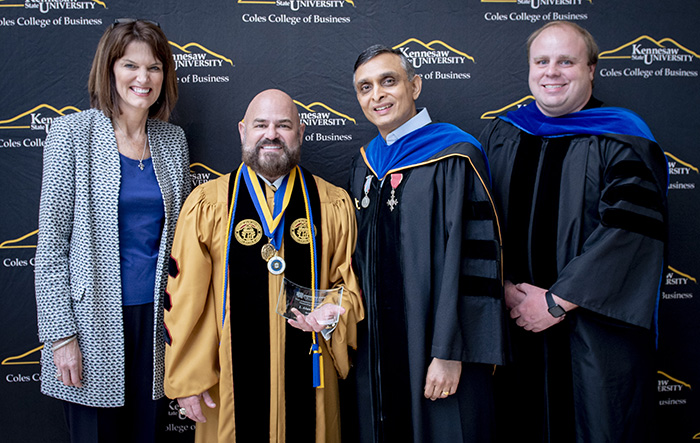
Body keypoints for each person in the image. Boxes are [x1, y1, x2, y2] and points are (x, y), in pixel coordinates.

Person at [479, 21, 668, 442]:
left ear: (591, 70)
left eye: (566, 61)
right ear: (529, 69)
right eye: (541, 61)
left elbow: (628, 232)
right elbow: (479, 221)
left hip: (593, 335)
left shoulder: (623, 139)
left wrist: (556, 302)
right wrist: (503, 285)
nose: (552, 72)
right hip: (514, 326)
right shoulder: (501, 134)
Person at [163, 89, 364, 442]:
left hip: (310, 374)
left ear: (300, 133)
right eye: (261, 125)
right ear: (243, 131)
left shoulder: (332, 204)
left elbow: (349, 286)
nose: (271, 134)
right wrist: (188, 379)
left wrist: (334, 312)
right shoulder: (209, 204)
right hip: (227, 385)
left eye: (283, 125)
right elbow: (184, 299)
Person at [34, 19, 191, 443]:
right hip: (89, 324)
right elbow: (50, 245)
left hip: (157, 324)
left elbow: (181, 239)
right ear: (109, 68)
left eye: (155, 67)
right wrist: (61, 335)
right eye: (130, 65)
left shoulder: (172, 141)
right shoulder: (72, 133)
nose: (143, 78)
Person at [347, 45, 506, 442]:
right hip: (380, 353)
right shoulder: (365, 164)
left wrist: (451, 351)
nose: (377, 95)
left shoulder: (455, 156)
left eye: (388, 81)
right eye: (365, 87)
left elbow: (473, 262)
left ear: (414, 85)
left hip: (440, 351)